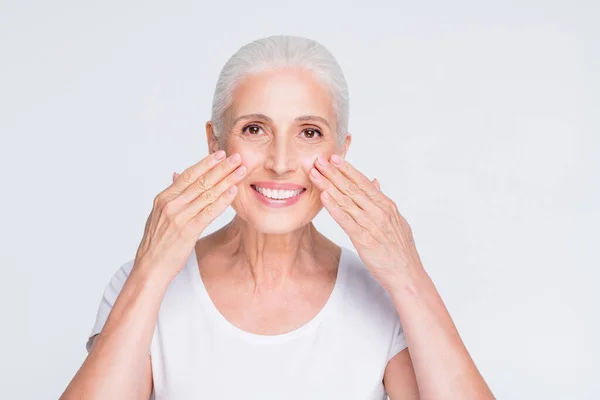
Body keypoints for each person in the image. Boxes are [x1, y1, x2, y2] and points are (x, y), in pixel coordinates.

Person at [61, 35, 495, 399]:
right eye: (254, 129)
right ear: (215, 143)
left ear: (340, 151)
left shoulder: (384, 296)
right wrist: (150, 272)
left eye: (309, 133)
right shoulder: (141, 286)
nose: (282, 161)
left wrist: (409, 277)